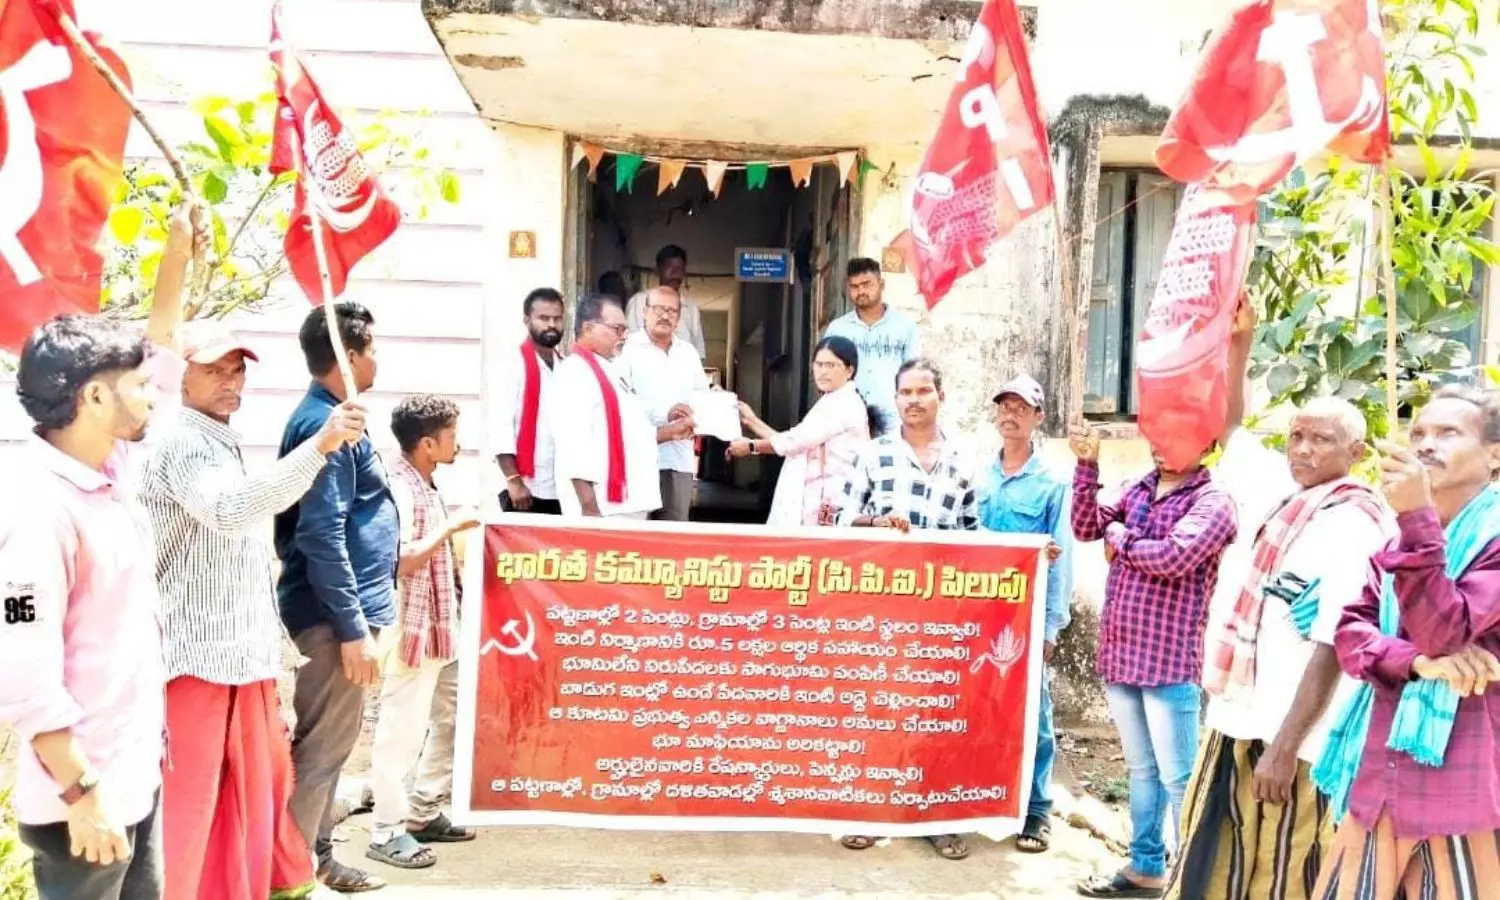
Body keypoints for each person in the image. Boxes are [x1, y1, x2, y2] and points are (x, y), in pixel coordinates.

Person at [0, 204, 198, 900]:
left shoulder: (114, 468)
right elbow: (22, 671)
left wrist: (177, 257)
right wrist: (82, 792)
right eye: (134, 388)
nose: (152, 397)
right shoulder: (40, 509)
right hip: (82, 801)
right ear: (91, 398)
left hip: (131, 778)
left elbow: (162, 360)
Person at [1165, 300, 1390, 900]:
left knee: (1285, 869)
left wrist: (1287, 747)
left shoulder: (1356, 523)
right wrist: (1241, 342)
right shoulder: (1279, 491)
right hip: (1239, 718)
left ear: (1356, 454)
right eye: (1297, 435)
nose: (1303, 449)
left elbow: (1333, 646)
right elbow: (1232, 427)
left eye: (1322, 440)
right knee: (1218, 862)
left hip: (1298, 742)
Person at [139, 320, 365, 900]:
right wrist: (320, 446)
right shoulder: (182, 442)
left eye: (237, 369)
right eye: (214, 369)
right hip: (195, 658)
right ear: (179, 377)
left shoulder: (218, 439)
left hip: (238, 657)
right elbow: (231, 511)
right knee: (191, 809)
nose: (230, 380)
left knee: (248, 800)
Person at [1309, 386, 1500, 900]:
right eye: (1418, 433)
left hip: (1464, 793)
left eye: (1447, 432)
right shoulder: (1397, 543)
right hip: (1381, 775)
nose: (1425, 444)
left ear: (1495, 456)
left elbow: (1448, 630)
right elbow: (1352, 636)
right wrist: (1416, 662)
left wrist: (1416, 517)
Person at [1070, 421, 1238, 899]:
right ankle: (1146, 865)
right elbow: (1085, 527)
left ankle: (1192, 879)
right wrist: (1087, 465)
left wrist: (1120, 537)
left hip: (1168, 663)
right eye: (1159, 438)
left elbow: (1171, 558)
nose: (1163, 448)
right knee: (1141, 770)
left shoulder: (1213, 502)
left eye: (1178, 438)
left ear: (1207, 445)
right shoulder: (1138, 487)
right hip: (1122, 654)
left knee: (1179, 777)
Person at [273, 302, 397, 894]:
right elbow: (322, 534)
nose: (377, 360)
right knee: (321, 751)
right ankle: (292, 876)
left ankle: (317, 858)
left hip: (343, 613)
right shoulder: (324, 426)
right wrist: (351, 628)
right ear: (349, 357)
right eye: (372, 349)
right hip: (331, 618)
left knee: (335, 746)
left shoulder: (337, 419)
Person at [837, 359, 979, 861]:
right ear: (895, 399)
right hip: (883, 605)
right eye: (906, 392)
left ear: (941, 395)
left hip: (940, 611)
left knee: (934, 713)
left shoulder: (963, 461)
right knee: (877, 709)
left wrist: (1031, 555)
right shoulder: (874, 455)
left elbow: (974, 538)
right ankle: (870, 812)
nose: (914, 400)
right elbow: (842, 520)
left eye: (924, 391)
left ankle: (934, 817)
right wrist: (875, 524)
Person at [366, 395, 480, 871]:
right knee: (401, 731)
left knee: (451, 715)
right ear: (428, 444)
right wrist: (451, 528)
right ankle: (386, 830)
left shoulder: (423, 482)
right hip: (412, 629)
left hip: (440, 625)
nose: (459, 443)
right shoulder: (401, 488)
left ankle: (423, 810)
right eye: (452, 435)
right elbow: (401, 559)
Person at [974, 374, 1074, 856]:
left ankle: (1036, 808)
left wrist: (1052, 625)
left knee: (1034, 712)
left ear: (1038, 417)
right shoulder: (977, 474)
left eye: (1021, 407)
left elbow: (1062, 557)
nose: (1010, 414)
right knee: (975, 706)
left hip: (1025, 616)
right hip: (977, 611)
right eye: (1004, 406)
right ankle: (976, 796)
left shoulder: (1053, 482)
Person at [554, 293, 692, 518]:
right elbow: (573, 443)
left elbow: (630, 433)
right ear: (588, 329)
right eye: (617, 329)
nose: (625, 336)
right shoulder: (574, 372)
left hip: (627, 502)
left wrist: (672, 431)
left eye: (625, 329)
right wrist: (588, 507)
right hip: (601, 507)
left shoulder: (611, 369)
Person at [731, 335, 878, 527]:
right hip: (823, 499)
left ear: (849, 370)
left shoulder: (842, 403)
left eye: (831, 365)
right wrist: (752, 421)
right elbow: (797, 441)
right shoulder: (834, 399)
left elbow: (794, 443)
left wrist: (751, 447)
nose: (822, 371)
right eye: (818, 364)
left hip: (831, 500)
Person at [618, 285, 709, 521]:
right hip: (636, 458)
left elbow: (702, 397)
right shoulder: (626, 349)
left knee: (673, 530)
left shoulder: (688, 353)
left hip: (678, 458)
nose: (665, 315)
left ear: (679, 318)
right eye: (658, 309)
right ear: (644, 312)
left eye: (672, 311)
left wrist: (702, 410)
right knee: (634, 530)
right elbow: (621, 402)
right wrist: (665, 414)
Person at [822, 257, 920, 435]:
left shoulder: (905, 326)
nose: (861, 291)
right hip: (846, 420)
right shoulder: (837, 329)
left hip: (892, 419)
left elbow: (913, 374)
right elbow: (825, 374)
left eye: (866, 284)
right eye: (854, 286)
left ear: (881, 285)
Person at [492, 287, 566, 515]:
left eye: (557, 318)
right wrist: (513, 479)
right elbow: (500, 425)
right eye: (544, 318)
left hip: (560, 488)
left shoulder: (565, 366)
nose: (551, 325)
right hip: (524, 489)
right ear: (527, 320)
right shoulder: (511, 363)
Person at [625, 245, 706, 357]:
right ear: (658, 270)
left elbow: (699, 352)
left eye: (680, 269)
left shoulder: (691, 307)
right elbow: (628, 344)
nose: (676, 274)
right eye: (670, 268)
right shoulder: (639, 301)